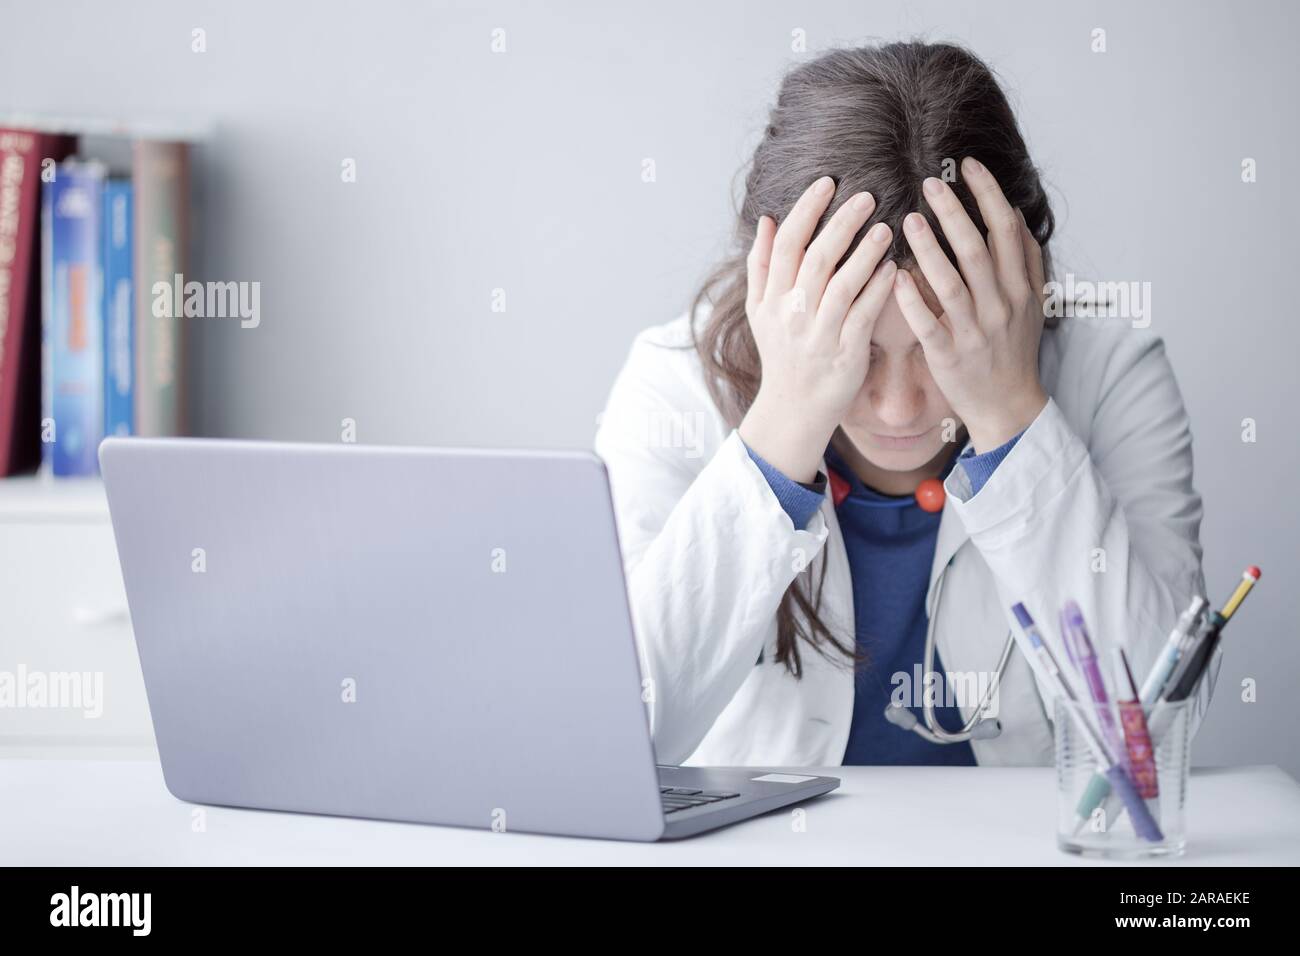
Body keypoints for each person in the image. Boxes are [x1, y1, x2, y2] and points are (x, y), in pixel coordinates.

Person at [593, 41, 1218, 767]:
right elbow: (618, 739)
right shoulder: (671, 384)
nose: (898, 410)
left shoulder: (1112, 375)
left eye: (941, 343)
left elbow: (1154, 735)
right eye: (855, 351)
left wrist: (1013, 413)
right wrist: (784, 422)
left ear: (1018, 282)